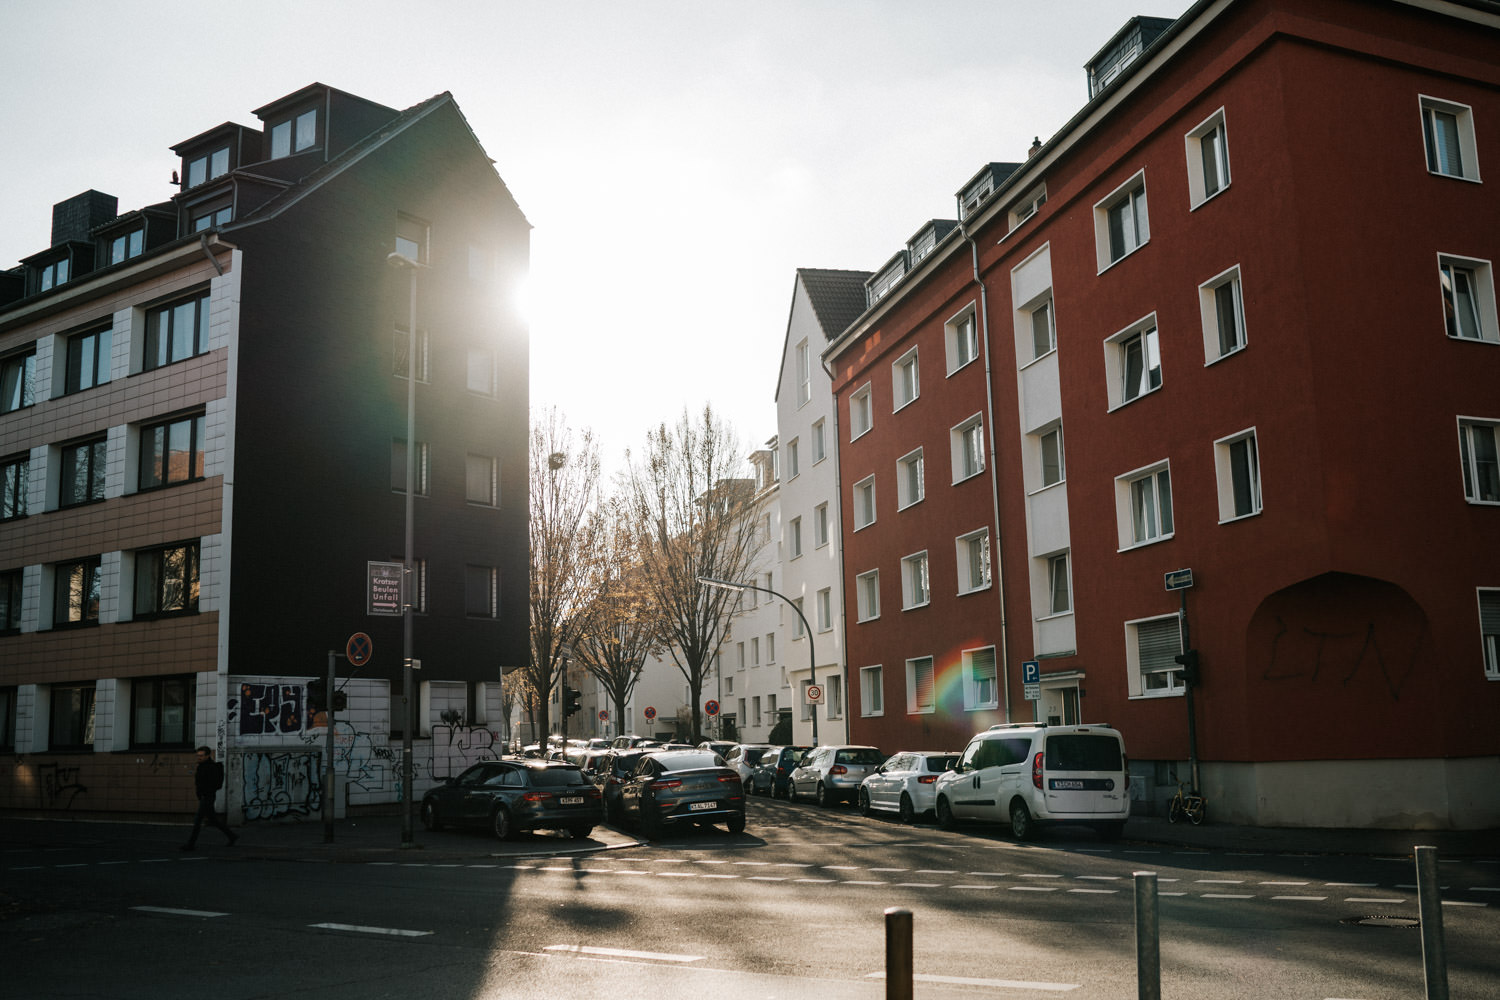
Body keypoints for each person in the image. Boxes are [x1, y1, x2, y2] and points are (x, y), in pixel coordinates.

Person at [182, 746, 237, 850]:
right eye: (198, 755)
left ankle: (190, 844)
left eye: (201, 755)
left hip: (208, 796)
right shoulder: (201, 766)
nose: (199, 757)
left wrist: (204, 792)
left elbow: (213, 784)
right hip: (204, 796)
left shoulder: (211, 767)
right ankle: (232, 836)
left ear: (208, 755)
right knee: (213, 820)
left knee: (198, 820)